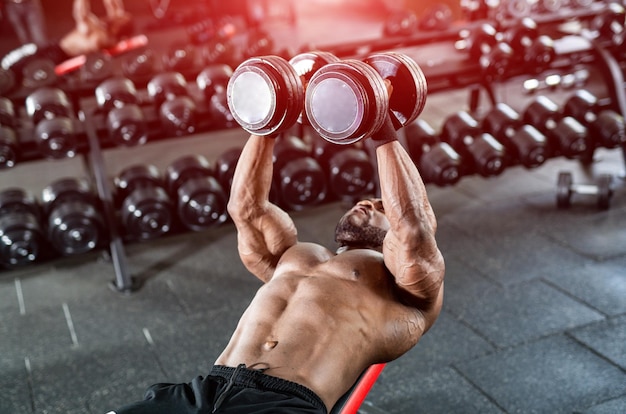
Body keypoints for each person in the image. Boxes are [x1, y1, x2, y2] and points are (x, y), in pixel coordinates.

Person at [111, 82, 446, 413]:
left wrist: (379, 124)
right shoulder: (295, 256)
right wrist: (271, 116)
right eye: (366, 200)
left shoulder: (406, 287)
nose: (367, 204)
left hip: (282, 403)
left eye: (380, 206)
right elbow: (247, 209)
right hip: (208, 389)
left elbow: (412, 227)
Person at [1, 0, 132, 84]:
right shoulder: (110, 36)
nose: (118, 14)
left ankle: (6, 77)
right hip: (62, 54)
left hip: (55, 53)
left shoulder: (97, 33)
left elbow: (80, 13)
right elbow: (113, 6)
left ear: (118, 27)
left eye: (121, 17)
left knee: (19, 67)